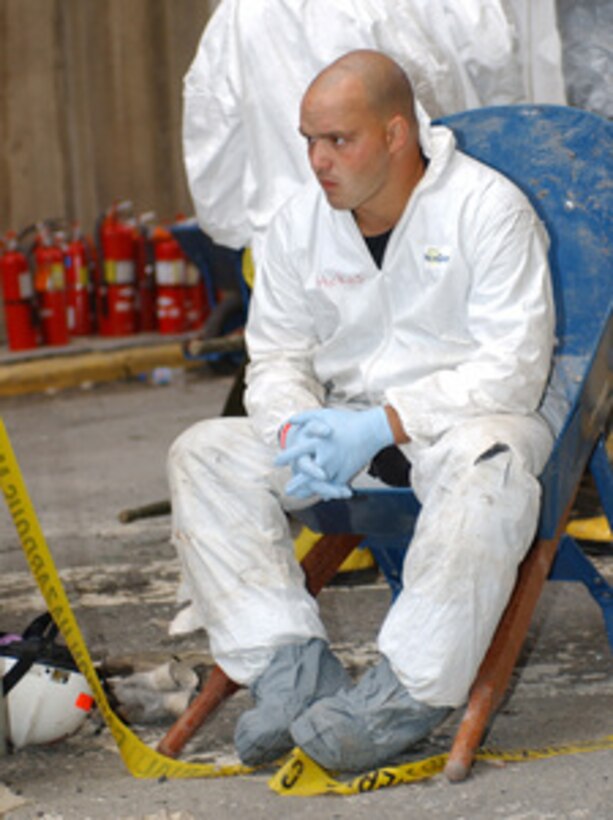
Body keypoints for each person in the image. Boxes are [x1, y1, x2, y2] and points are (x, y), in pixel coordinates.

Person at [168, 50, 555, 771]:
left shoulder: (487, 209)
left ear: (396, 135)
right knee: (205, 453)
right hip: (338, 424)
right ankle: (290, 675)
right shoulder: (295, 224)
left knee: (490, 468)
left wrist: (384, 425)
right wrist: (295, 429)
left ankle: (404, 696)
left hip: (463, 425)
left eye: (337, 140)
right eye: (307, 139)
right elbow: (277, 356)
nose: (316, 160)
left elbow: (513, 369)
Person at [183, 0, 562, 270]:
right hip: (432, 248)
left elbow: (215, 173)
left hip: (297, 261)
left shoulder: (239, 14)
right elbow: (502, 99)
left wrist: (255, 232)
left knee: (295, 375)